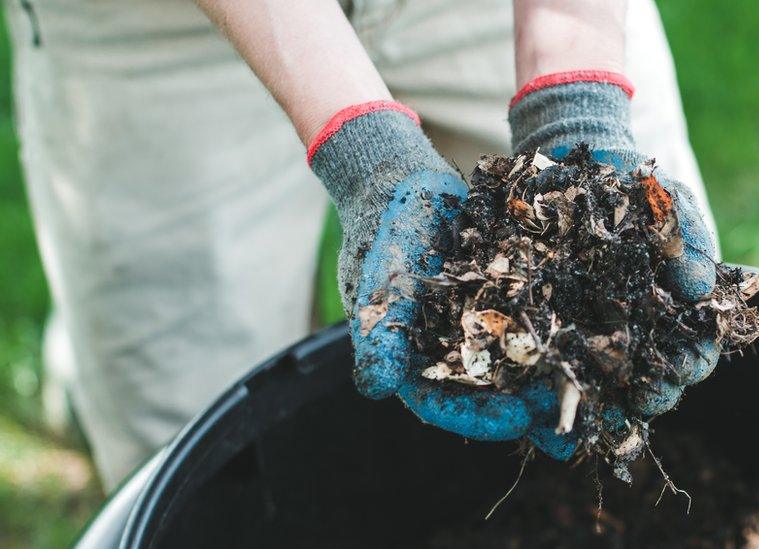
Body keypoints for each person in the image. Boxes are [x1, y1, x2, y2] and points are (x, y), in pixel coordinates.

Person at [7, 0, 719, 489]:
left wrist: (578, 95)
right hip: (153, 29)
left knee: (642, 346)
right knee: (194, 433)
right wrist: (363, 148)